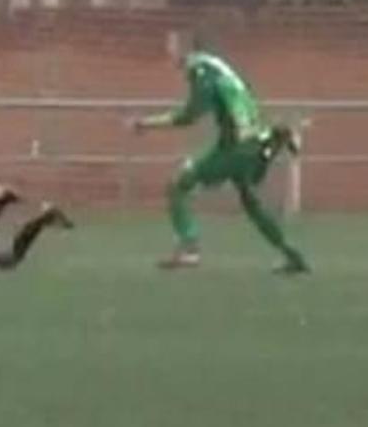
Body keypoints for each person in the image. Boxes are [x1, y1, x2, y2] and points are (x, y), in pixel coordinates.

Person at [129, 29, 309, 275]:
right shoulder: (219, 67)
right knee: (252, 203)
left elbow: (189, 115)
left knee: (179, 185)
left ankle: (189, 248)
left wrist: (146, 123)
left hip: (235, 148)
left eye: (171, 46)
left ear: (186, 48)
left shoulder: (199, 68)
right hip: (252, 142)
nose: (168, 53)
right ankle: (292, 256)